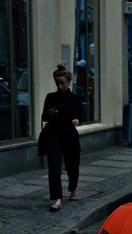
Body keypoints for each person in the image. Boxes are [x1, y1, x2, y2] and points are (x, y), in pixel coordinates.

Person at [41, 64, 83, 211]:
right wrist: (50, 114)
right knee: (54, 166)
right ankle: (57, 198)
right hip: (53, 134)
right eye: (57, 83)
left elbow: (80, 115)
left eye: (62, 83)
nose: (59, 86)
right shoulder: (50, 97)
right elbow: (44, 117)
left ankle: (73, 188)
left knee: (72, 165)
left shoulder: (74, 99)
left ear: (68, 82)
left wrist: (77, 120)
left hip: (69, 135)